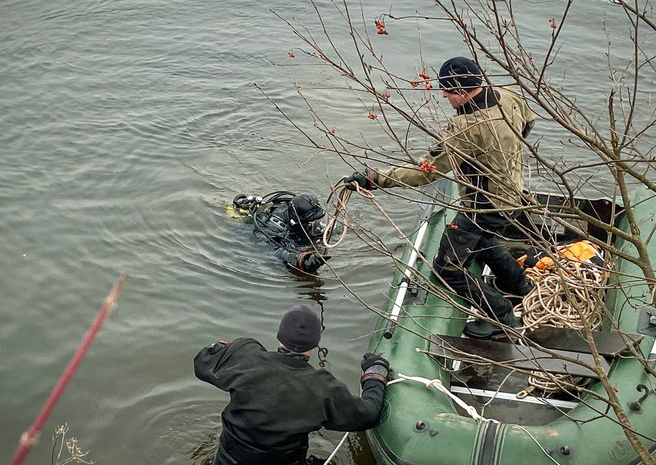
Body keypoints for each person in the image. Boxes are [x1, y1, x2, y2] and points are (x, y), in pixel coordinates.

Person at [341, 56, 536, 338]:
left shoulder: (466, 127)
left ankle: (501, 314)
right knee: (481, 240)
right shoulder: (508, 96)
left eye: (448, 90)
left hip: (484, 206)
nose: (443, 95)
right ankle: (518, 284)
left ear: (464, 90)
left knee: (447, 268)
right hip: (513, 194)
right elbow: (529, 121)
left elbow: (426, 173)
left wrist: (376, 178)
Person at [194, 305, 389, 465]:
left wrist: (225, 349)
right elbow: (368, 414)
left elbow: (202, 364)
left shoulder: (246, 359)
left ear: (280, 336)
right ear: (315, 343)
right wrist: (375, 374)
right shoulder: (323, 388)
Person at [232, 191, 329, 274]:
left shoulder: (292, 209)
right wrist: (302, 260)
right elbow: (275, 251)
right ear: (298, 223)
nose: (320, 226)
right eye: (314, 223)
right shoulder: (274, 229)